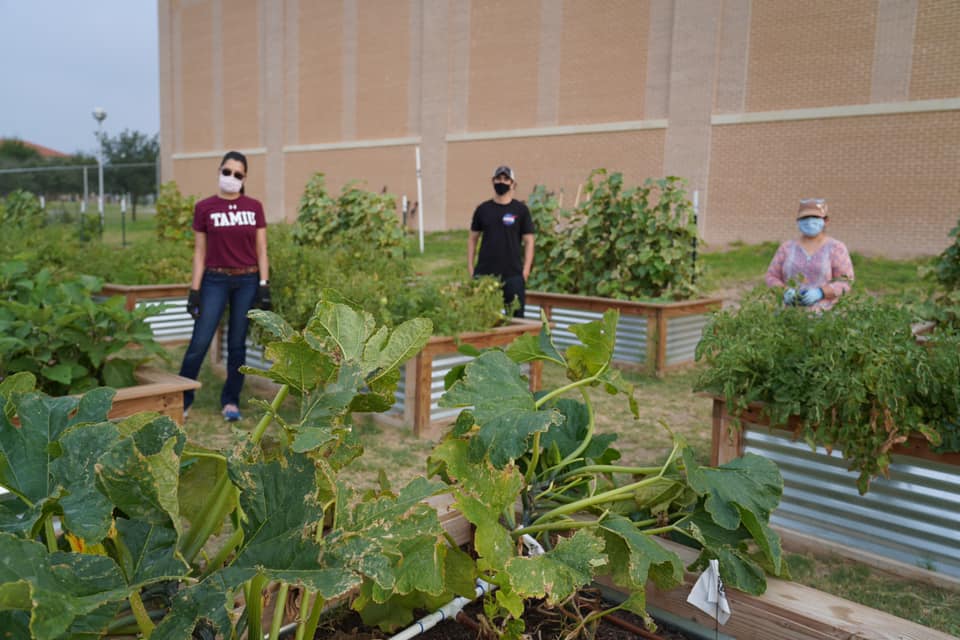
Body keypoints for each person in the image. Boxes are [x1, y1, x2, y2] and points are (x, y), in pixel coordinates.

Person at [179, 151, 271, 421]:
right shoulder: (204, 207)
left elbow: (262, 249)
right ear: (219, 171)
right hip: (214, 280)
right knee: (200, 341)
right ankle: (182, 398)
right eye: (227, 172)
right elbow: (199, 252)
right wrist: (194, 291)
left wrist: (264, 285)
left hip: (247, 280)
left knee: (237, 345)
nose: (231, 178)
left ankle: (231, 401)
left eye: (238, 174)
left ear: (245, 178)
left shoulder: (254, 207)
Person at [467, 165, 535, 317]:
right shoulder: (483, 209)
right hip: (485, 274)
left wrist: (526, 270)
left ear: (513, 184)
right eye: (498, 178)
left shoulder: (521, 210)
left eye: (506, 179)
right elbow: (472, 239)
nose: (501, 182)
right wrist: (471, 268)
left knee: (516, 318)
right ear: (493, 181)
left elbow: (529, 241)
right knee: (479, 317)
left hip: (513, 274)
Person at [765, 198, 854, 311]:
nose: (810, 221)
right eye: (805, 218)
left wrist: (821, 292)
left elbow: (845, 282)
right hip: (789, 314)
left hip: (826, 316)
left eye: (815, 217)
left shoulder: (836, 248)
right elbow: (771, 276)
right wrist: (784, 291)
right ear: (798, 221)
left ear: (826, 220)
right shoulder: (787, 248)